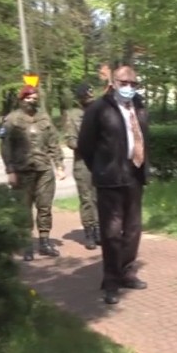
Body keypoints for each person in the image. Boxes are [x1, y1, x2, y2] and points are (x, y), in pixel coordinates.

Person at [78, 65, 149, 306]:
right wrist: (100, 168)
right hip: (109, 178)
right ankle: (111, 280)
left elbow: (142, 136)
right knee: (111, 231)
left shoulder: (139, 106)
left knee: (133, 228)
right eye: (123, 82)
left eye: (132, 83)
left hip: (134, 174)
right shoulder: (99, 109)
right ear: (114, 83)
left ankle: (126, 271)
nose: (128, 87)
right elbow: (85, 145)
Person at [0, 85, 67, 261]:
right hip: (22, 171)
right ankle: (27, 245)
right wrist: (10, 170)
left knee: (44, 207)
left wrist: (59, 165)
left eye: (35, 98)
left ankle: (44, 242)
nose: (32, 101)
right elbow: (5, 147)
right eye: (28, 98)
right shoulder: (12, 120)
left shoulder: (44, 118)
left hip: (44, 170)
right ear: (21, 99)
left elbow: (53, 143)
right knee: (24, 209)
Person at [64, 83, 101, 250]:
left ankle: (100, 230)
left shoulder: (100, 112)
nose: (90, 99)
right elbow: (70, 140)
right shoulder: (73, 115)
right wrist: (85, 145)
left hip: (100, 162)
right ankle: (89, 232)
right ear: (80, 99)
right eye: (87, 96)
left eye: (91, 96)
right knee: (86, 199)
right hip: (83, 162)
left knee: (99, 198)